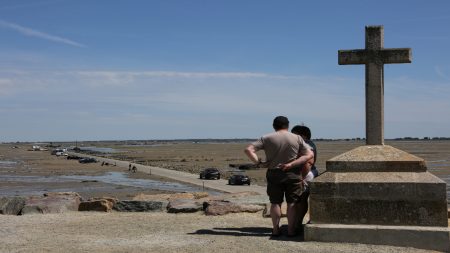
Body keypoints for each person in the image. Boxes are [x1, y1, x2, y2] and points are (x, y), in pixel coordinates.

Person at [244, 116, 314, 237]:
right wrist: (292, 164)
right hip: (293, 173)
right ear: (288, 125)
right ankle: (291, 230)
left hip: (274, 172)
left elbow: (248, 150)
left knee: (275, 203)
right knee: (292, 203)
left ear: (274, 126)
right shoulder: (297, 138)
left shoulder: (266, 138)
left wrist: (258, 163)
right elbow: (309, 154)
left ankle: (276, 229)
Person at [291, 125, 317, 232]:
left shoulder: (306, 145)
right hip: (305, 174)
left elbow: (308, 163)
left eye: (294, 134)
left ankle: (297, 225)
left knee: (301, 200)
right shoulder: (306, 144)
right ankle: (296, 224)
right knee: (300, 200)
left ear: (303, 135)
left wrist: (301, 178)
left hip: (305, 174)